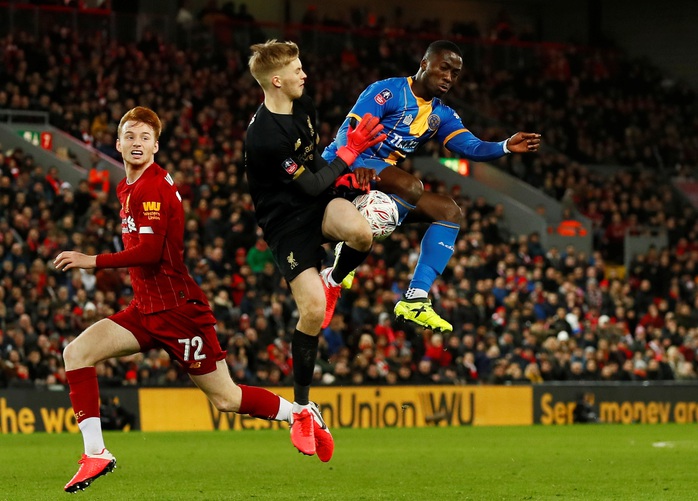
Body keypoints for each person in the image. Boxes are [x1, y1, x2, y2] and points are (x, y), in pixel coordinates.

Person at [54, 106, 297, 493]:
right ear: (117, 144)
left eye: (145, 137)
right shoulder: (129, 186)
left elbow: (150, 252)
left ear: (156, 146)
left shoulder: (151, 187)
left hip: (177, 311)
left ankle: (298, 413)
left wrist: (92, 261)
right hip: (145, 308)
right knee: (76, 353)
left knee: (227, 398)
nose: (137, 143)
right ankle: (96, 453)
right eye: (130, 136)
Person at [323, 40, 541, 333]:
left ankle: (415, 299)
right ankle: (348, 246)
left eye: (455, 73)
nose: (449, 77)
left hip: (378, 183)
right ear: (424, 64)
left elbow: (471, 147)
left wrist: (505, 146)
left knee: (449, 211)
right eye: (444, 68)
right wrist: (353, 163)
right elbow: (346, 133)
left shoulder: (440, 114)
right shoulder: (388, 91)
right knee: (411, 187)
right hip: (344, 168)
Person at [244, 40, 385, 461]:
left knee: (361, 233)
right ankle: (304, 409)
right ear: (276, 79)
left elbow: (320, 177)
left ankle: (334, 279)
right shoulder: (264, 136)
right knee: (309, 313)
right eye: (297, 69)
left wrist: (345, 170)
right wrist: (350, 152)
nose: (304, 74)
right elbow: (308, 183)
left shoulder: (305, 108)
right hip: (286, 225)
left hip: (317, 205)